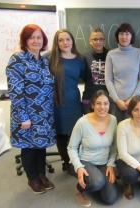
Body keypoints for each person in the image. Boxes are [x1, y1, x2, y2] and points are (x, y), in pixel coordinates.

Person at [6, 24, 56, 194]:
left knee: (41, 147)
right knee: (28, 147)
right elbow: (15, 91)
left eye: (39, 37)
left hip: (43, 114)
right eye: (32, 37)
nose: (36, 41)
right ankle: (32, 179)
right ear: (25, 40)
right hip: (26, 114)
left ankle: (42, 175)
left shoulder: (44, 61)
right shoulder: (17, 60)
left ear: (44, 41)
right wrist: (23, 117)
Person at [67, 90, 119, 207]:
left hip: (103, 163)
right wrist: (78, 167)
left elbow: (115, 146)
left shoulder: (113, 120)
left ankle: (94, 182)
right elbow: (71, 147)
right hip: (85, 161)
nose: (102, 107)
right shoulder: (82, 122)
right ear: (92, 105)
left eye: (106, 103)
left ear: (109, 105)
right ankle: (80, 189)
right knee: (97, 182)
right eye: (98, 103)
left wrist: (111, 164)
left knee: (111, 199)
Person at [49, 29, 86, 174]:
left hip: (73, 102)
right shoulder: (49, 58)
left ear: (72, 41)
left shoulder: (80, 60)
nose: (65, 43)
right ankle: (67, 162)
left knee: (76, 133)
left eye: (68, 39)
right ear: (56, 43)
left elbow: (85, 78)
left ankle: (76, 160)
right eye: (61, 40)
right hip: (56, 102)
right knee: (61, 134)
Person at [105, 23, 140, 123]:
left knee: (130, 132)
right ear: (117, 36)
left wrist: (132, 99)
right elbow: (108, 79)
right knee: (115, 132)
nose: (124, 37)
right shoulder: (111, 54)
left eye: (127, 34)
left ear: (131, 36)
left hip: (134, 102)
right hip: (115, 102)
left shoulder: (139, 53)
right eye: (121, 34)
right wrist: (116, 100)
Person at [82, 28, 109, 114]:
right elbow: (83, 76)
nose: (98, 42)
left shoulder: (111, 55)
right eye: (95, 39)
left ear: (104, 41)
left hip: (106, 100)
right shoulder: (85, 57)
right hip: (89, 99)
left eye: (101, 39)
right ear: (90, 41)